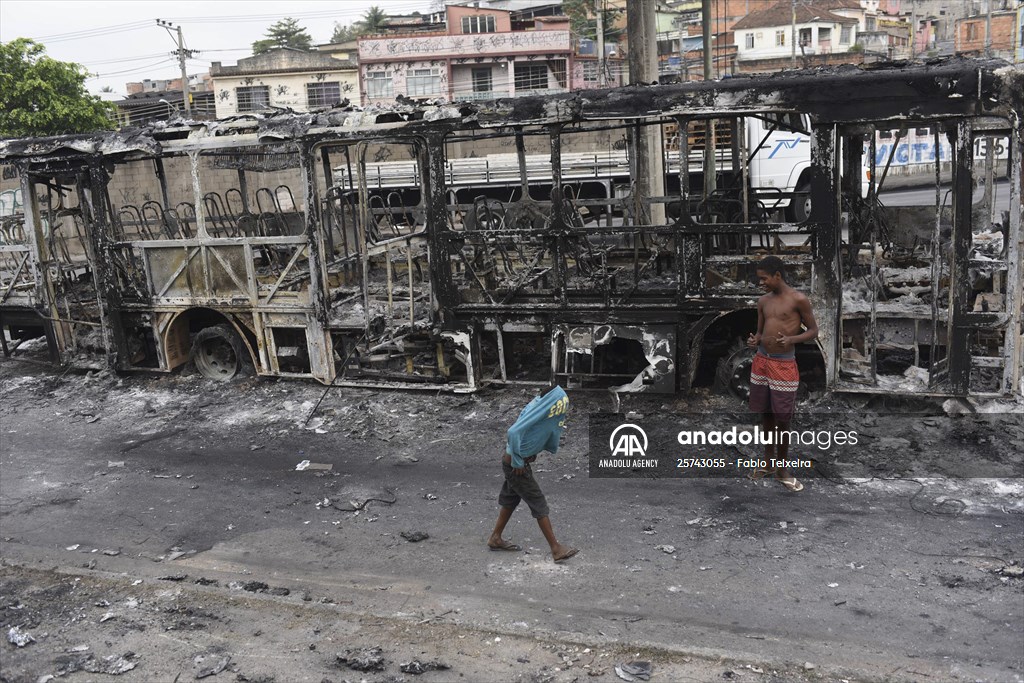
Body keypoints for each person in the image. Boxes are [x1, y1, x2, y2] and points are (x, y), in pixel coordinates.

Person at [746, 255, 818, 492]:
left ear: (778, 275)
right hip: (761, 362)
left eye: (764, 278)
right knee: (766, 414)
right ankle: (767, 463)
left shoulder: (799, 299)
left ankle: (782, 469)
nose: (761, 283)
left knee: (783, 418)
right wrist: (754, 340)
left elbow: (814, 331)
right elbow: (759, 331)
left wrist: (792, 339)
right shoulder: (763, 301)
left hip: (783, 365)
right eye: (760, 279)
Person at [487, 384, 579, 563]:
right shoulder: (540, 408)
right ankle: (556, 549)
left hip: (514, 463)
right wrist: (518, 460)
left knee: (510, 500)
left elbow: (539, 430)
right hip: (516, 465)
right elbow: (513, 431)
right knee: (538, 502)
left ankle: (495, 538)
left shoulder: (540, 407)